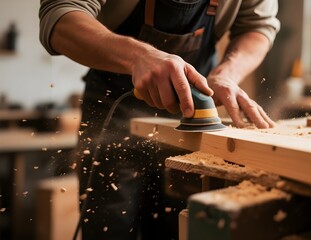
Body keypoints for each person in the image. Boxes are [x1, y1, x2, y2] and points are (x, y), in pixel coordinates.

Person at [39, 0, 280, 239]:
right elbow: (60, 17)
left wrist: (228, 74)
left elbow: (257, 26)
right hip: (115, 99)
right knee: (110, 223)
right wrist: (138, 57)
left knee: (178, 224)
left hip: (192, 114)